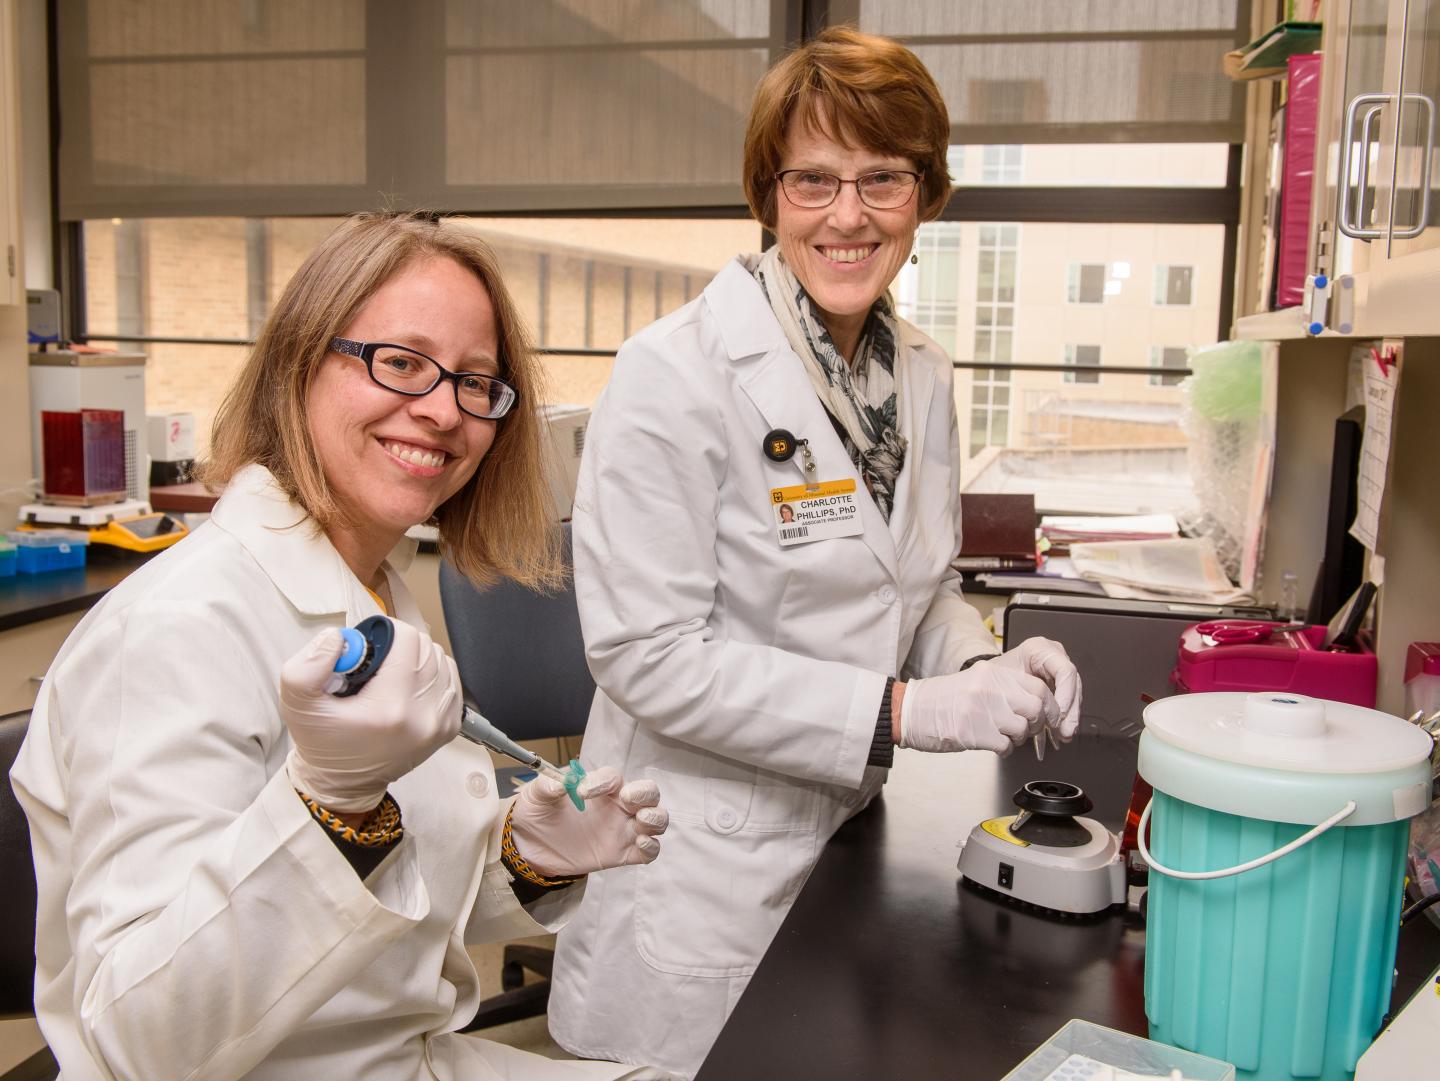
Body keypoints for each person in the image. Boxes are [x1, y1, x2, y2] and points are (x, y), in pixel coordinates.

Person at [11, 213, 676, 1081]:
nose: (443, 410)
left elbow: (383, 912)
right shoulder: (178, 628)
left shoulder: (372, 586)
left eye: (478, 383)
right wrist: (331, 803)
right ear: (298, 363)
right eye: (400, 362)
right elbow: (138, 1041)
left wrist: (524, 855)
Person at [547, 28, 1082, 1077]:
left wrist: (979, 664)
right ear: (768, 191)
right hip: (700, 863)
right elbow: (647, 657)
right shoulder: (674, 374)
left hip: (851, 842)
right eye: (814, 180)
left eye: (883, 177)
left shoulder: (918, 375)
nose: (848, 215)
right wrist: (903, 713)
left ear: (925, 195)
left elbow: (914, 591)